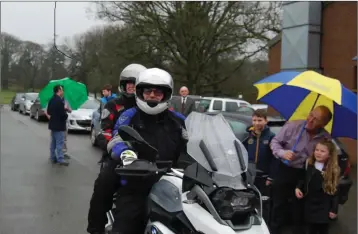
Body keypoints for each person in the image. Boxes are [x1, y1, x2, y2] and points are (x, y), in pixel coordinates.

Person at [105, 68, 187, 234]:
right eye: (148, 91)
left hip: (172, 183)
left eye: (158, 92)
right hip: (136, 182)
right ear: (140, 92)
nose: (152, 95)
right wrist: (126, 154)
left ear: (166, 94)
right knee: (126, 224)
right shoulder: (129, 115)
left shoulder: (178, 120)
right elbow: (117, 138)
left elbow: (196, 141)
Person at [87, 63, 147, 234]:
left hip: (147, 158)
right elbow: (104, 131)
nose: (132, 88)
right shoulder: (114, 105)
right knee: (102, 188)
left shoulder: (149, 107)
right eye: (129, 84)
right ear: (123, 84)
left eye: (136, 84)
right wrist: (115, 148)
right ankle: (95, 228)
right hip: (118, 157)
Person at [269, 105, 332, 234]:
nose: (310, 120)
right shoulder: (293, 126)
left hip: (304, 174)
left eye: (316, 119)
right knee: (278, 204)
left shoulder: (325, 138)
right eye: (311, 115)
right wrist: (282, 152)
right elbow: (275, 142)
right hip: (285, 169)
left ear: (324, 123)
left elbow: (329, 155)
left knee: (300, 207)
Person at [295, 139, 340, 234]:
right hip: (309, 204)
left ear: (330, 154)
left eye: (322, 151)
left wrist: (334, 209)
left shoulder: (333, 170)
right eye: (317, 150)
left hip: (323, 207)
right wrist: (298, 188)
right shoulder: (309, 164)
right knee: (309, 229)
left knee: (322, 230)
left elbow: (335, 192)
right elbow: (303, 178)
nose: (318, 153)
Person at [244, 109, 276, 193]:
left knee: (263, 200)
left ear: (266, 121)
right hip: (250, 175)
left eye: (260, 120)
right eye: (254, 120)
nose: (256, 123)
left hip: (264, 176)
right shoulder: (249, 136)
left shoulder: (271, 137)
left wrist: (271, 177)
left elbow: (275, 159)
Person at [46, 85, 70, 166]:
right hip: (59, 125)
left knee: (53, 142)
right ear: (59, 90)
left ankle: (53, 157)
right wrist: (65, 110)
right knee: (60, 142)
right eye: (62, 90)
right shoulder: (59, 101)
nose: (63, 91)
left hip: (53, 124)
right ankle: (60, 159)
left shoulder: (51, 100)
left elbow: (49, 111)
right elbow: (63, 115)